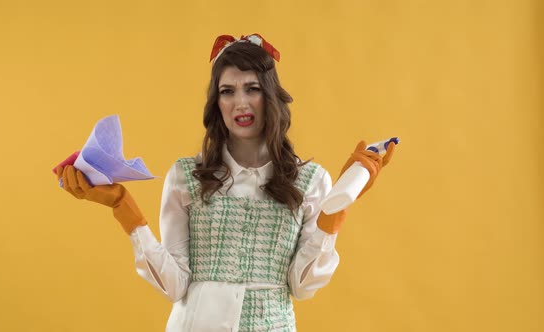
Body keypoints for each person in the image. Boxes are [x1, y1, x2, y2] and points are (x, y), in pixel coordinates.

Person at [55, 33, 396, 332]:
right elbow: (174, 286)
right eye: (227, 91)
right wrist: (123, 207)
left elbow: (301, 286)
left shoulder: (309, 180)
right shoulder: (186, 176)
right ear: (216, 103)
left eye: (253, 89)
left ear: (271, 97)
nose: (241, 103)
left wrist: (334, 213)